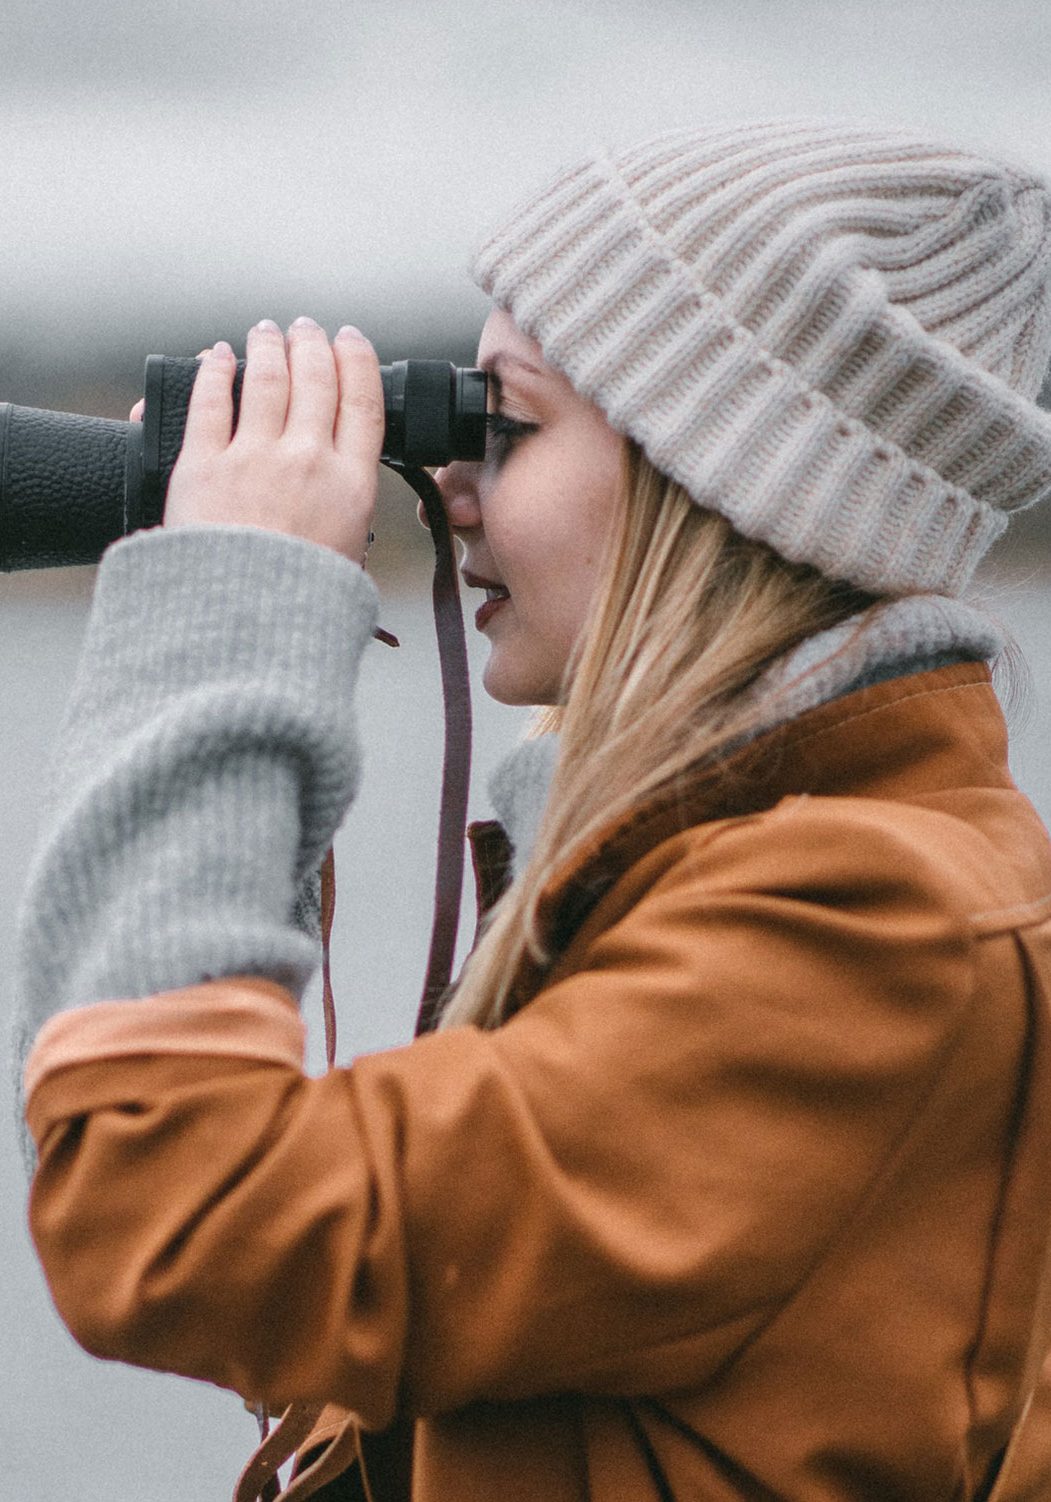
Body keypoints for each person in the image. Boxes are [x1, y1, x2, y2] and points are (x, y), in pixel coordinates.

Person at [13, 117, 1051, 1501]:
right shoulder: (780, 866)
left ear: (721, 476)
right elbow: (357, 1297)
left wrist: (231, 614)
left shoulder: (863, 926)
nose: (447, 487)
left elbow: (186, 1227)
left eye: (503, 423)